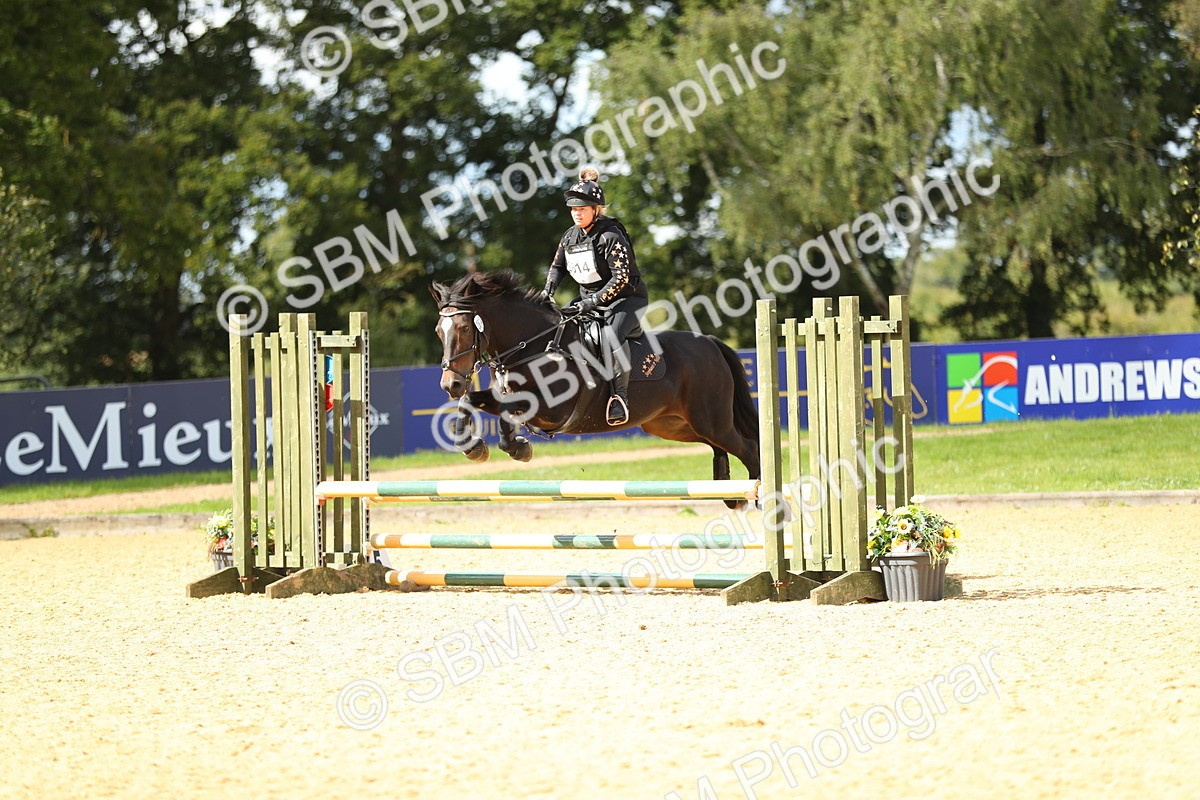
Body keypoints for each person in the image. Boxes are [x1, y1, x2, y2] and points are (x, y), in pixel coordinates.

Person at [539, 167, 648, 426]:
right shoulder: (570, 236)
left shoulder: (610, 235)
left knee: (612, 334)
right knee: (558, 327)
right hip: (589, 299)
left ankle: (619, 398)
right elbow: (557, 268)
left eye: (582, 209)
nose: (576, 213)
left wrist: (594, 301)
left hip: (627, 299)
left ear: (596, 210)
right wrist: (548, 291)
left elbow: (620, 278)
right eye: (573, 209)